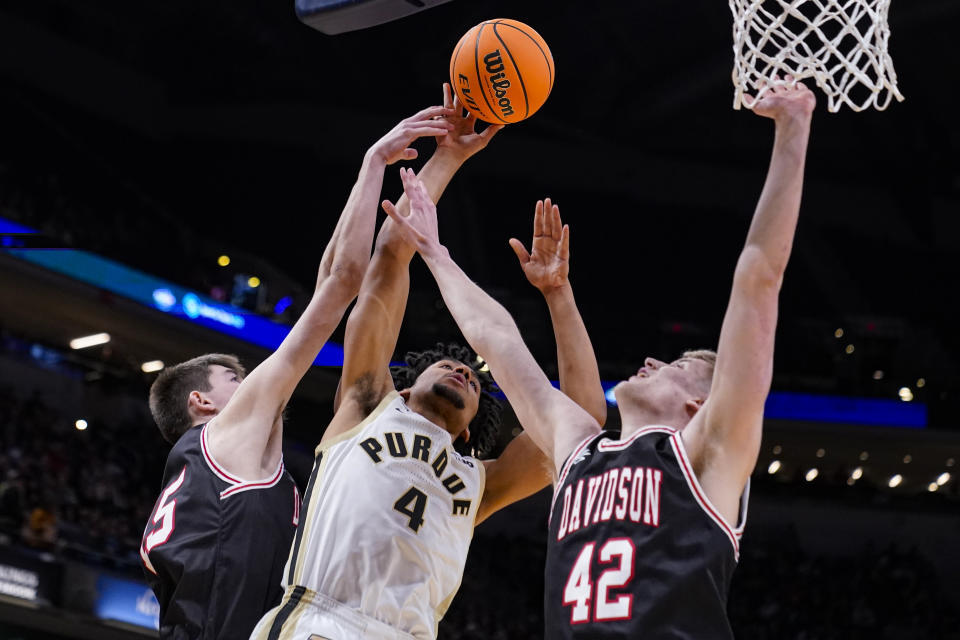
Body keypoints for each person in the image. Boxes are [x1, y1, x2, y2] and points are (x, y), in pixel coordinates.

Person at [384, 79, 816, 639]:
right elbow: (499, 341)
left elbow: (758, 276)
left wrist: (793, 129)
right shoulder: (579, 450)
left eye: (679, 365)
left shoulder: (710, 454)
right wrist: (435, 253)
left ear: (700, 401)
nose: (654, 362)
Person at [253, 85, 606, 640]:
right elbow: (390, 258)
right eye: (448, 365)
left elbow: (583, 419)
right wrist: (449, 156)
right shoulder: (366, 404)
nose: (463, 370)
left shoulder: (479, 483)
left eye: (472, 379)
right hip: (321, 622)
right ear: (407, 378)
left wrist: (559, 296)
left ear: (472, 433)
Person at [139, 104, 456, 640]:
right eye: (235, 380)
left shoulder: (215, 471)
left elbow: (329, 281)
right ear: (202, 403)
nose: (256, 384)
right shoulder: (225, 437)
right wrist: (372, 163)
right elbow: (344, 279)